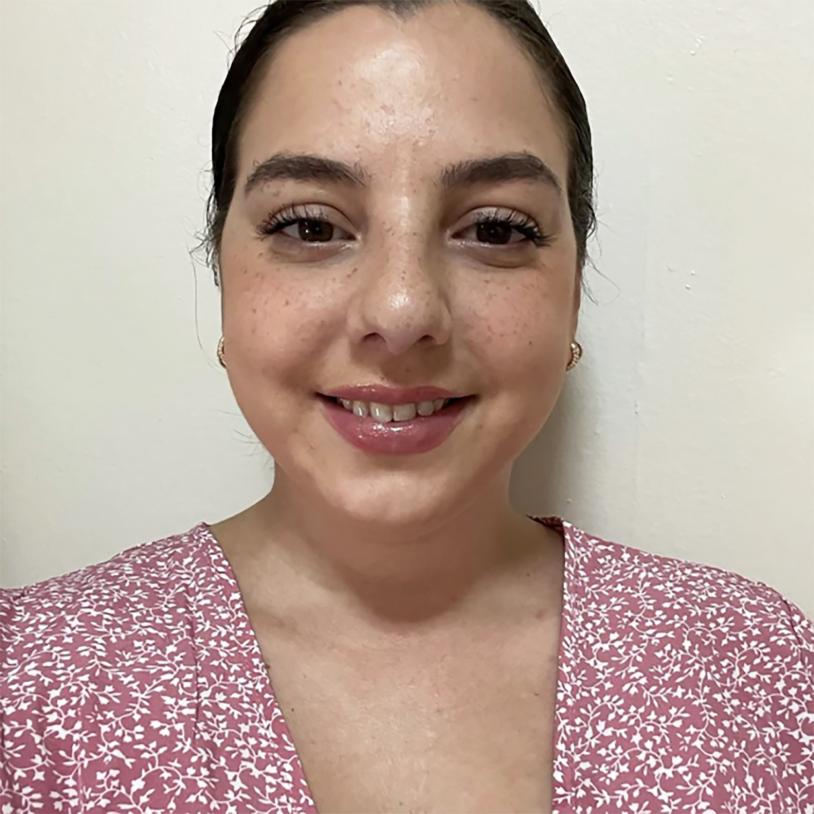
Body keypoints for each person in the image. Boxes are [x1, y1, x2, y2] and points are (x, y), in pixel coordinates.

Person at [1, 0, 812, 812]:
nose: (399, 310)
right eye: (311, 226)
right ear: (223, 278)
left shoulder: (758, 668)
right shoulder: (31, 679)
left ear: (572, 297)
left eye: (496, 229)